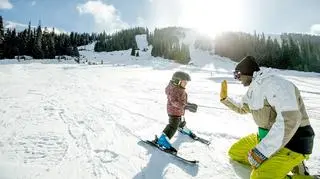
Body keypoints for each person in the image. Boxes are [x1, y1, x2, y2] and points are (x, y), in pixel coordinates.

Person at [220, 56, 318, 179]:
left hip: (293, 142)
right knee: (235, 152)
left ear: (246, 72)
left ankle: (301, 171)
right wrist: (225, 100)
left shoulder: (276, 84)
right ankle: (281, 163)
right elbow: (242, 108)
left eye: (237, 75)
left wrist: (261, 152)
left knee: (259, 177)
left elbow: (290, 120)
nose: (237, 79)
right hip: (266, 137)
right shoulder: (252, 90)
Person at [155, 71, 198, 153]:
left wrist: (189, 105)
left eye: (186, 82)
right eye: (184, 82)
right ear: (177, 81)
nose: (186, 84)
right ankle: (163, 140)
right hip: (173, 111)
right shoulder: (174, 90)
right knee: (173, 126)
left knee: (182, 120)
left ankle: (182, 127)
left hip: (179, 111)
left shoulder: (180, 89)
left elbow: (181, 101)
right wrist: (185, 106)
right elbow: (174, 102)